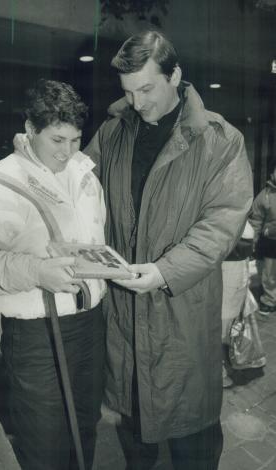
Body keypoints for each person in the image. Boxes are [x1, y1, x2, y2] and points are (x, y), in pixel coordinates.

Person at [85, 30, 253, 470]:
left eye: (147, 88)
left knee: (192, 438)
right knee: (134, 434)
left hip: (181, 316)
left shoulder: (220, 140)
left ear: (174, 75)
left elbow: (221, 226)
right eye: (128, 92)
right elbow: (77, 191)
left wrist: (163, 272)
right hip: (125, 320)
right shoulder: (111, 134)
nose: (138, 103)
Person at [0, 79, 106, 470]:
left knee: (86, 428)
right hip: (38, 336)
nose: (67, 152)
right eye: (57, 140)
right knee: (45, 442)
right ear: (31, 129)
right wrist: (36, 271)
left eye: (74, 140)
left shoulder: (85, 174)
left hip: (89, 326)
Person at [221, 221, 254, 387]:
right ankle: (219, 371)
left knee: (229, 327)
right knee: (222, 328)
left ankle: (225, 364)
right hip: (228, 278)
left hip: (237, 277)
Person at [250, 162, 276, 316]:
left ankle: (269, 300)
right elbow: (256, 220)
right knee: (267, 273)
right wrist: (252, 241)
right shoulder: (265, 194)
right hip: (269, 243)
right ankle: (269, 300)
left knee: (271, 274)